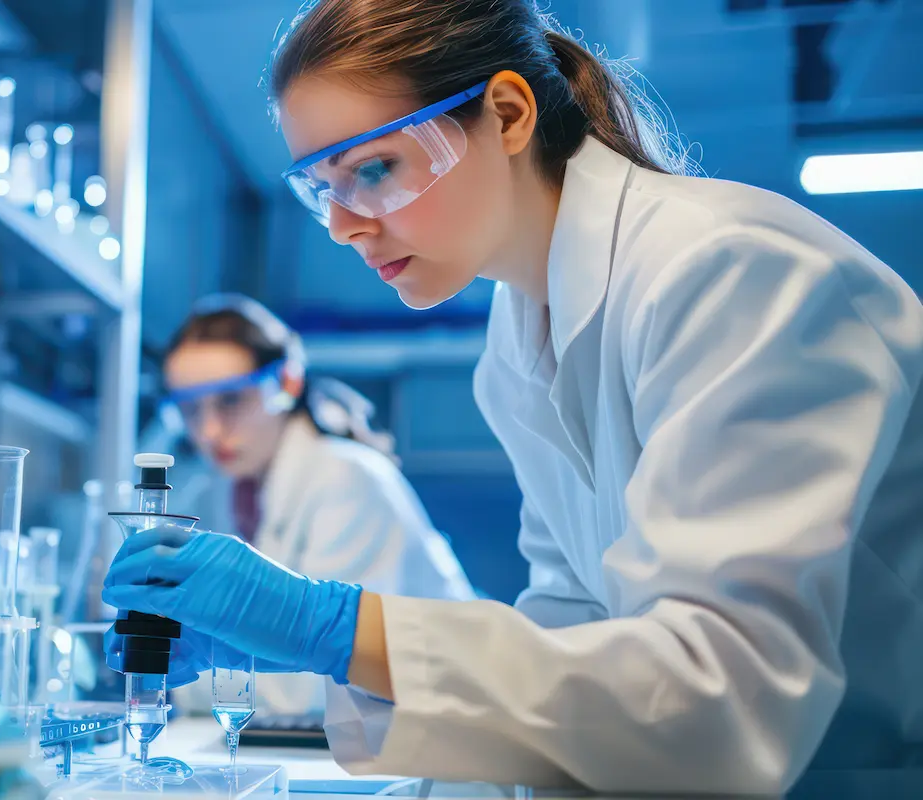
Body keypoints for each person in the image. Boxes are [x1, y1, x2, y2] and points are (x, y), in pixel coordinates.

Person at [104, 0, 923, 794]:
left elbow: (722, 703)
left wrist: (334, 628)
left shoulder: (727, 271)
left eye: (373, 169)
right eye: (321, 189)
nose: (343, 226)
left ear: (504, 114)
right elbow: (570, 641)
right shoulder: (518, 341)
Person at [156, 293, 475, 714]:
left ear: (287, 382)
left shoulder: (348, 478)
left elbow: (312, 687)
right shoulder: (218, 492)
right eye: (191, 409)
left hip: (448, 725)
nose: (210, 431)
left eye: (231, 400)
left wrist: (162, 680)